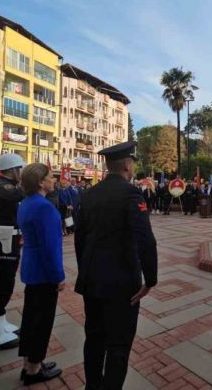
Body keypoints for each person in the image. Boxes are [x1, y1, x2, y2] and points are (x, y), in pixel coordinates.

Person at [74, 141, 158, 389]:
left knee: (94, 339)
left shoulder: (89, 194)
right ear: (126, 164)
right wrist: (150, 279)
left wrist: (85, 271)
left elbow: (80, 238)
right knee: (118, 346)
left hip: (93, 281)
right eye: (132, 162)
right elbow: (145, 239)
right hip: (122, 284)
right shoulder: (131, 194)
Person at [17, 163, 64, 385]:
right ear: (40, 182)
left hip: (31, 267)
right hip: (44, 272)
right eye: (51, 177)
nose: (54, 180)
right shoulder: (44, 208)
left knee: (30, 318)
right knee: (41, 322)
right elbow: (50, 247)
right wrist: (58, 276)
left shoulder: (26, 203)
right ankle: (34, 370)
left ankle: (29, 362)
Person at [0, 154, 25, 351]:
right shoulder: (2, 187)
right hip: (3, 240)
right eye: (20, 169)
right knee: (3, 285)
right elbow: (19, 195)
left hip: (9, 238)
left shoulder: (5, 186)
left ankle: (0, 323)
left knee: (6, 282)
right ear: (12, 169)